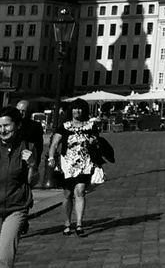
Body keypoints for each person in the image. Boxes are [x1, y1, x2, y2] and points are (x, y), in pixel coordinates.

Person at [49, 99, 99, 238]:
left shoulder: (90, 125)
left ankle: (79, 224)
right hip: (68, 164)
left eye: (80, 109)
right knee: (67, 194)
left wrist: (93, 141)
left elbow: (97, 140)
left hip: (84, 163)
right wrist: (51, 158)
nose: (78, 111)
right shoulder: (64, 126)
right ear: (71, 110)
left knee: (80, 190)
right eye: (75, 108)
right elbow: (54, 143)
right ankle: (66, 223)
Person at [0, 106, 37, 267]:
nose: (2, 130)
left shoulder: (27, 147)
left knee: (4, 257)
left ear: (18, 125)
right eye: (0, 126)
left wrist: (32, 165)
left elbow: (33, 181)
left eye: (7, 125)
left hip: (16, 206)